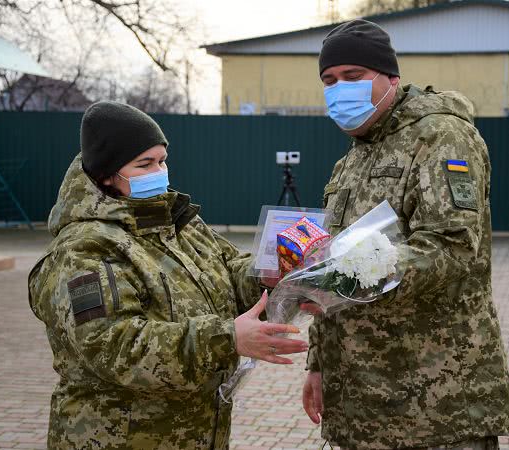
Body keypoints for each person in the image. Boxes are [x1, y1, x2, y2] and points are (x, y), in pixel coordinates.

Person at [28, 101, 306, 449]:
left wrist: (269, 275)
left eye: (162, 160)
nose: (159, 171)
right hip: (118, 438)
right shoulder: (83, 250)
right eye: (145, 164)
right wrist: (225, 338)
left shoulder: (176, 222)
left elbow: (228, 276)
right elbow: (114, 346)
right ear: (105, 175)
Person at [301, 19, 509, 449]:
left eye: (353, 76)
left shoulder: (441, 136)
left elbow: (452, 248)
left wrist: (351, 274)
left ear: (391, 78)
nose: (339, 88)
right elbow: (332, 260)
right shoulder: (354, 157)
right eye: (329, 80)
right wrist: (318, 363)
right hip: (362, 400)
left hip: (435, 399)